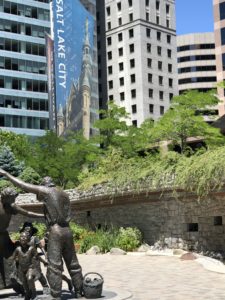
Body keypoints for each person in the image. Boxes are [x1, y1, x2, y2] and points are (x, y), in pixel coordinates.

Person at [0, 169, 83, 299]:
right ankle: (79, 291)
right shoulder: (64, 194)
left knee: (54, 266)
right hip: (67, 230)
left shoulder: (47, 191)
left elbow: (23, 185)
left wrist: (6, 174)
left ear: (44, 185)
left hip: (56, 231)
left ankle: (55, 295)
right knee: (73, 262)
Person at [0, 187, 44, 292]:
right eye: (12, 199)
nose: (14, 201)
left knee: (13, 258)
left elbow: (27, 213)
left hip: (3, 237)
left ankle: (17, 284)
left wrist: (44, 215)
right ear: (5, 198)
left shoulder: (11, 206)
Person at [12, 231, 48, 300]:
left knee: (31, 277)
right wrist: (15, 259)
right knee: (24, 283)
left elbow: (38, 255)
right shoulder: (18, 249)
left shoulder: (32, 245)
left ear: (28, 239)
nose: (22, 238)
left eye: (24, 237)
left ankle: (36, 293)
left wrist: (44, 261)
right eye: (21, 237)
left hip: (31, 266)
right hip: (21, 268)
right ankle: (28, 293)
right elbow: (13, 258)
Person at [20, 222, 49, 294]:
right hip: (26, 260)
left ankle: (45, 286)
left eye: (29, 228)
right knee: (26, 275)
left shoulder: (35, 238)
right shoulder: (22, 237)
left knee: (38, 274)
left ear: (31, 230)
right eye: (26, 228)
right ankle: (30, 291)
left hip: (35, 259)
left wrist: (45, 256)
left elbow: (41, 248)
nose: (27, 230)